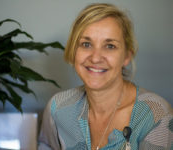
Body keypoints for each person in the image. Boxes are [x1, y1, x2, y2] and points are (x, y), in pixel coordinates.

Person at [38, 3, 173, 150]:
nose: (95, 58)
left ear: (127, 56)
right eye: (86, 44)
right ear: (73, 50)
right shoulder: (58, 108)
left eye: (110, 46)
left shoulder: (155, 115)